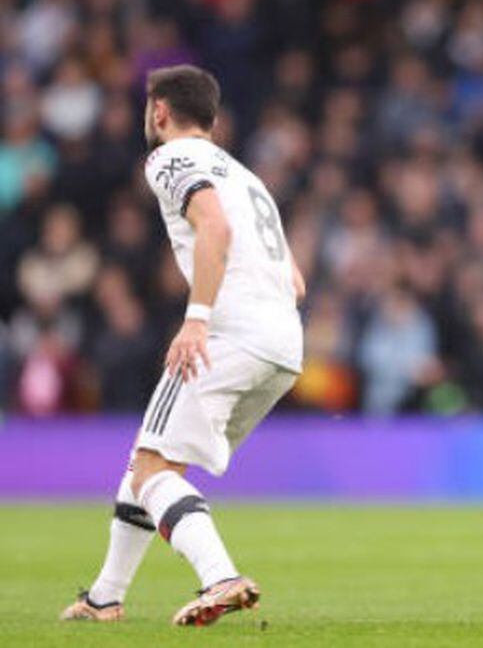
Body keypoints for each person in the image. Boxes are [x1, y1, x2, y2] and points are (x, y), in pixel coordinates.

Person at [61, 65, 305, 627]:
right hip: (281, 346)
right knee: (149, 465)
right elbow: (296, 280)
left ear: (160, 112)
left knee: (152, 471)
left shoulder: (169, 158)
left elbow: (214, 229)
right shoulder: (247, 176)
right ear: (213, 119)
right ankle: (104, 598)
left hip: (228, 334)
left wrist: (197, 320)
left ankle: (220, 578)